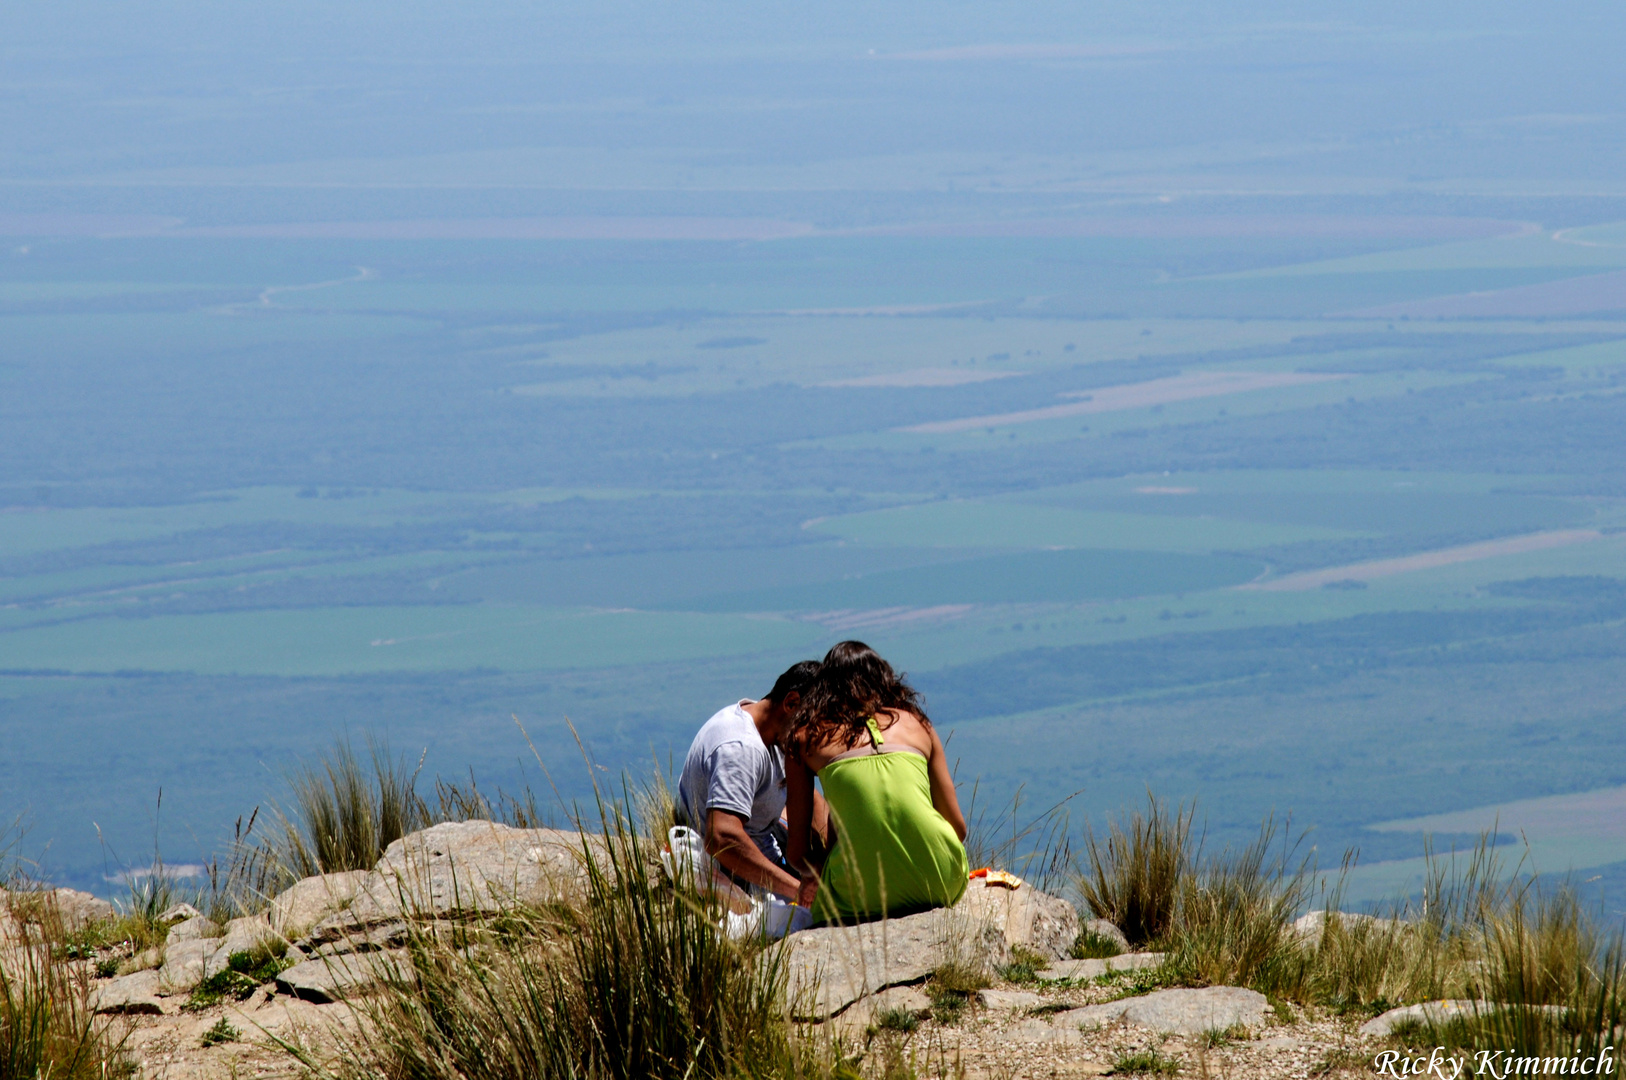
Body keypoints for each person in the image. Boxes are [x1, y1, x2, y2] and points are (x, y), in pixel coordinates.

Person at [785, 641, 968, 924]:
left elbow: (797, 854)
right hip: (941, 878)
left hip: (857, 895)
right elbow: (957, 828)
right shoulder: (918, 724)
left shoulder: (804, 738)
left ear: (824, 687)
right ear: (884, 679)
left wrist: (830, 869)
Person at [676, 660, 828, 900]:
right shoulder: (741, 748)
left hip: (764, 839)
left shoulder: (772, 729)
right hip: (734, 869)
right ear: (791, 703)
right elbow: (721, 838)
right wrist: (800, 891)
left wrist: (824, 865)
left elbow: (811, 799)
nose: (816, 738)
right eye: (815, 727)